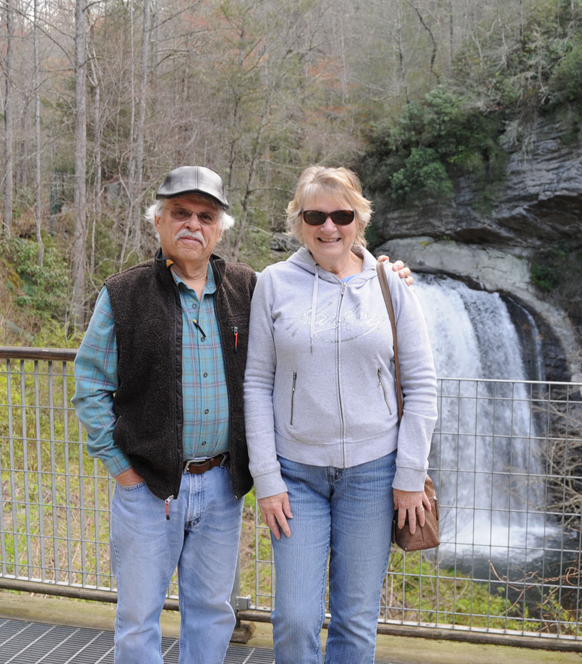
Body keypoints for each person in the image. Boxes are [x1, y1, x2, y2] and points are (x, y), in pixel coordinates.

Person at [72, 165, 413, 664]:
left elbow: (277, 355)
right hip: (148, 486)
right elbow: (89, 386)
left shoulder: (246, 288)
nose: (193, 225)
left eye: (205, 216)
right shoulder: (122, 295)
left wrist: (383, 269)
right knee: (138, 617)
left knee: (212, 611)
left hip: (220, 486)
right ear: (158, 223)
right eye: (180, 213)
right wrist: (122, 470)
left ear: (219, 228)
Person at [244, 165, 439, 663]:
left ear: (359, 220)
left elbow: (421, 384)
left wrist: (410, 473)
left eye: (341, 215)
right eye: (315, 215)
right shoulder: (274, 283)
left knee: (355, 621)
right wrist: (266, 477)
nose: (329, 227)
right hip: (295, 477)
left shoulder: (391, 285)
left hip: (375, 475)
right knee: (295, 619)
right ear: (298, 222)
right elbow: (256, 382)